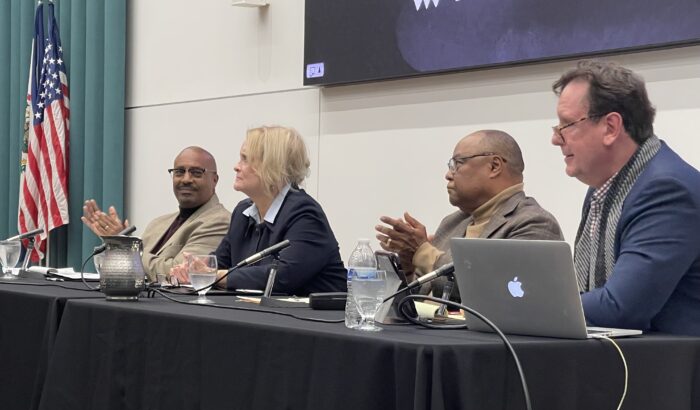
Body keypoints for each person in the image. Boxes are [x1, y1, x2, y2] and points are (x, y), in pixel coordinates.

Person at [551, 59, 700, 335]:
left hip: (672, 372)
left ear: (611, 127)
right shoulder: (604, 188)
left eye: (567, 125)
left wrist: (538, 307)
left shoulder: (667, 190)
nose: (556, 139)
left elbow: (621, 307)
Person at [375, 129, 563, 299]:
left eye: (458, 163)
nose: (448, 175)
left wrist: (423, 253)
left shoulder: (533, 223)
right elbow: (423, 303)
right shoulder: (452, 223)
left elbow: (492, 294)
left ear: (494, 166)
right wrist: (409, 266)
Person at [170, 126, 346, 295]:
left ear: (271, 166)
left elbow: (281, 277)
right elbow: (221, 261)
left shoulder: (305, 214)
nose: (236, 166)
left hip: (314, 321)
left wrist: (213, 276)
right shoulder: (243, 212)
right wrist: (193, 268)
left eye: (245, 159)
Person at [81, 146, 231, 282]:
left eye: (196, 173)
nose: (186, 179)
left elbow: (177, 274)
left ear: (214, 180)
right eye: (179, 172)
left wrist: (125, 246)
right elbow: (129, 270)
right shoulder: (158, 223)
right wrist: (118, 242)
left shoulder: (220, 221)